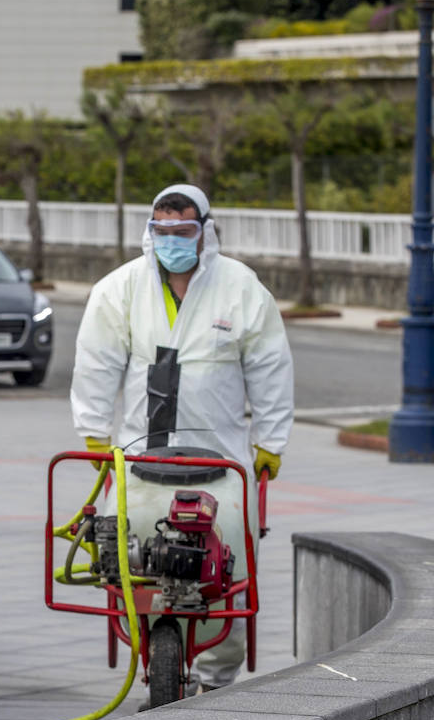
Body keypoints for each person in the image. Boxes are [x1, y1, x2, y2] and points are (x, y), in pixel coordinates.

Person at [70, 183, 294, 691]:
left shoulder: (241, 288)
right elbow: (96, 364)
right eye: (163, 231)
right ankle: (152, 654)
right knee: (127, 558)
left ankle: (215, 677)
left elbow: (270, 368)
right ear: (149, 234)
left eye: (184, 231)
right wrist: (92, 432)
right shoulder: (119, 289)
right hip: (139, 459)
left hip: (223, 464)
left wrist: (271, 442)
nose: (172, 240)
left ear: (205, 232)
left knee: (231, 573)